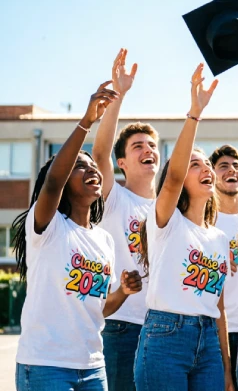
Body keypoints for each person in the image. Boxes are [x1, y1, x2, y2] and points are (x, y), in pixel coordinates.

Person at [13, 82, 143, 391]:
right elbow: (54, 180)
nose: (91, 170)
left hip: (92, 366)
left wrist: (123, 291)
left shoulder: (104, 240)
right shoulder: (48, 225)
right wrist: (87, 122)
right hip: (46, 365)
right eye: (78, 166)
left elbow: (100, 309)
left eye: (93, 165)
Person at [133, 64, 234, 391]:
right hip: (165, 337)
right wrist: (195, 113)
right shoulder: (165, 220)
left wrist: (227, 368)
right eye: (195, 164)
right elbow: (173, 176)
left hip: (208, 346)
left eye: (207, 164)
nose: (205, 167)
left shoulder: (219, 237)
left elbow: (219, 308)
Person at [93, 48, 160, 391]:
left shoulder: (169, 208)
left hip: (163, 328)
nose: (148, 149)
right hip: (121, 325)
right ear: (122, 162)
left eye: (151, 144)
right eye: (137, 146)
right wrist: (119, 95)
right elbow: (99, 152)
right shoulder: (115, 197)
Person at [210, 144, 238, 391]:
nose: (231, 170)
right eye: (223, 166)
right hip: (213, 333)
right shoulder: (204, 222)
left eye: (236, 166)